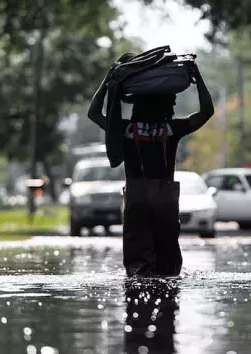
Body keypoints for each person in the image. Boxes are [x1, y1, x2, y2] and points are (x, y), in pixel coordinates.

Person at [87, 54, 214, 277]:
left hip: (136, 202)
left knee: (138, 270)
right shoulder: (172, 129)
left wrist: (109, 82)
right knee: (169, 269)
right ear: (168, 104)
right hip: (165, 202)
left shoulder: (125, 130)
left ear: (136, 103)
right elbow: (206, 112)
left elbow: (94, 113)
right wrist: (198, 77)